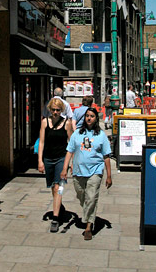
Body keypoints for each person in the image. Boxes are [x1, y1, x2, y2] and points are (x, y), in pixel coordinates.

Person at [60, 107, 112, 241]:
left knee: (91, 197)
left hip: (95, 171)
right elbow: (69, 152)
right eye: (87, 116)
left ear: (96, 119)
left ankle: (89, 226)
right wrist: (64, 169)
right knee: (82, 196)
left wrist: (109, 175)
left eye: (92, 116)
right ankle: (90, 214)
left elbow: (106, 156)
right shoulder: (77, 134)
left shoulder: (101, 136)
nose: (89, 118)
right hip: (78, 171)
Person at [38, 98, 73, 233]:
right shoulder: (45, 123)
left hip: (61, 159)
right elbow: (41, 142)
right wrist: (40, 161)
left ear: (62, 111)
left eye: (58, 110)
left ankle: (55, 218)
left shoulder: (66, 123)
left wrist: (72, 163)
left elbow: (71, 143)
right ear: (50, 110)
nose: (55, 112)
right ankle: (59, 206)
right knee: (53, 187)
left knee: (59, 186)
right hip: (48, 158)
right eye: (53, 110)